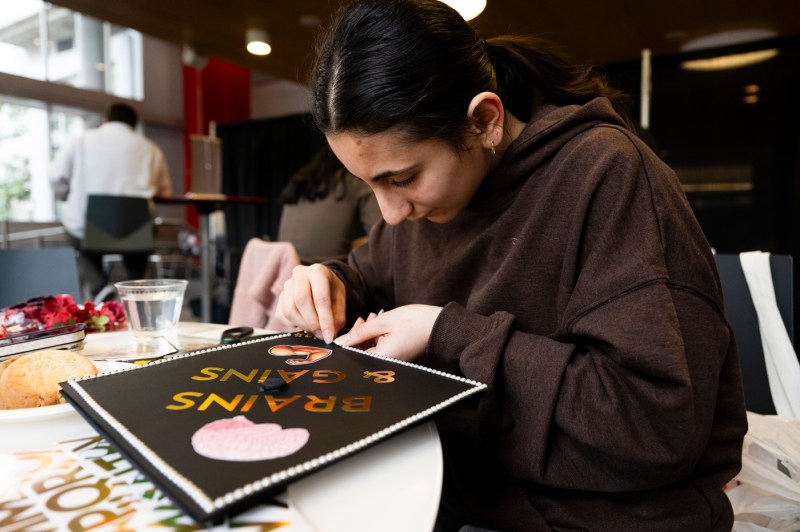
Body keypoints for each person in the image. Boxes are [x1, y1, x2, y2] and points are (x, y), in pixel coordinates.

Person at [275, 0, 748, 530]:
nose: (390, 213)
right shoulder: (420, 210)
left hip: (596, 517)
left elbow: (655, 426)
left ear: (484, 120)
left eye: (401, 178)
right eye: (367, 184)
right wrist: (331, 283)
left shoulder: (608, 175)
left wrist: (445, 332)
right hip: (450, 488)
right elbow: (372, 273)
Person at [49, 102, 173, 297]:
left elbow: (56, 177)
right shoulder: (151, 148)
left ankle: (99, 287)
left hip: (87, 227)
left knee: (76, 241)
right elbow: (164, 192)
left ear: (105, 120)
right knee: (141, 241)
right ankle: (134, 288)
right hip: (136, 231)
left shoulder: (81, 140)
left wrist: (67, 193)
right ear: (134, 125)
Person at [277, 144, 381, 264]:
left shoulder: (299, 183)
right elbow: (383, 237)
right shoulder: (354, 180)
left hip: (286, 270)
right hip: (328, 272)